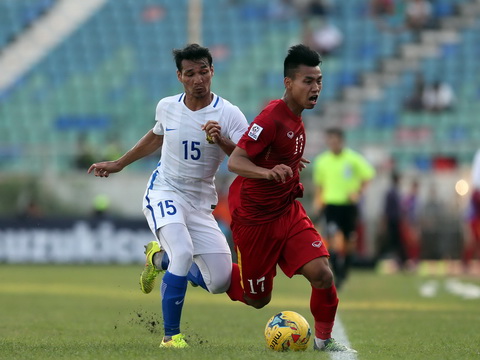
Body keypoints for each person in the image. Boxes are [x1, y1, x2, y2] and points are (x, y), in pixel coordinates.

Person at [87, 44, 249, 348]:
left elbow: (244, 158)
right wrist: (119, 163)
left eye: (203, 71)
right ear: (180, 77)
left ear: (212, 71)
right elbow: (155, 136)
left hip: (200, 203)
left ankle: (158, 258)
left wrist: (222, 140)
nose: (198, 78)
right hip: (166, 191)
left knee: (221, 281)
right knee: (184, 252)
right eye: (190, 73)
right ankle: (171, 337)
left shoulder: (230, 114)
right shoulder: (167, 107)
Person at [225, 44, 356, 353]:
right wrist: (267, 173)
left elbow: (273, 153)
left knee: (323, 274)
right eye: (308, 81)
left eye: (319, 80)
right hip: (256, 219)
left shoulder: (297, 118)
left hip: (286, 211)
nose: (316, 88)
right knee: (257, 299)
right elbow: (236, 161)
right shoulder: (270, 117)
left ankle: (324, 341)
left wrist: (291, 162)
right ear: (288, 83)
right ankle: (199, 268)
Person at [312, 127, 375, 289]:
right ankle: (336, 272)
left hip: (348, 206)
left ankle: (345, 268)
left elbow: (368, 175)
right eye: (330, 140)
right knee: (333, 238)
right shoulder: (322, 161)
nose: (333, 143)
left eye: (336, 140)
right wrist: (318, 201)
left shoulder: (353, 159)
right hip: (331, 205)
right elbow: (319, 184)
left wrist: (358, 192)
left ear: (341, 141)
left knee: (348, 241)